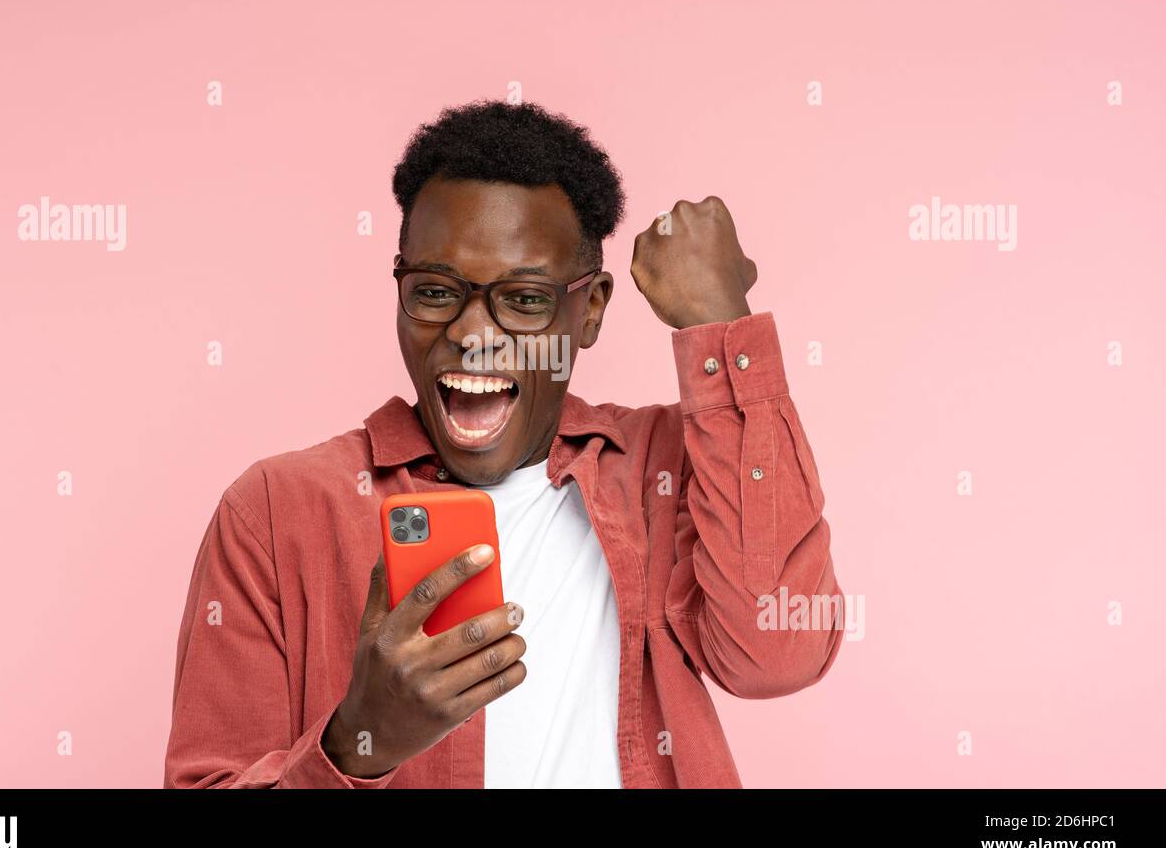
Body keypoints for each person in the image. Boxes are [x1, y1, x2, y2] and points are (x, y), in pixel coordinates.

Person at [163, 99, 844, 788]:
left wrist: (719, 324)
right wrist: (358, 743)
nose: (472, 333)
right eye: (434, 291)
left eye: (523, 300)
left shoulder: (668, 466)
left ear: (592, 310)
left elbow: (777, 651)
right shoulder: (278, 512)